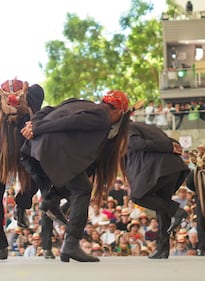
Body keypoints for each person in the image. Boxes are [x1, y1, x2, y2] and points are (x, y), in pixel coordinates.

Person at [20, 90, 131, 262]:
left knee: (74, 180)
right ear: (117, 112)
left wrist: (33, 124)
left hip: (32, 151)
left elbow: (48, 109)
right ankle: (71, 244)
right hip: (51, 150)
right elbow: (71, 122)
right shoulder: (102, 117)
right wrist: (38, 128)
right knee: (83, 189)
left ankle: (50, 200)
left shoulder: (77, 102)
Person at [0, 79, 44, 262]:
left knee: (40, 175)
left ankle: (22, 203)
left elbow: (37, 91)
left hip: (25, 151)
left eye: (19, 97)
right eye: (8, 99)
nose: (13, 102)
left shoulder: (33, 99)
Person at [125, 121, 190, 259]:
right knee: (162, 208)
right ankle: (163, 249)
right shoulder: (152, 128)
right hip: (173, 168)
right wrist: (170, 146)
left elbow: (137, 144)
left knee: (137, 197)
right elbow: (171, 142)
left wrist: (168, 146)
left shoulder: (129, 128)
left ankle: (177, 211)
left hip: (159, 169)